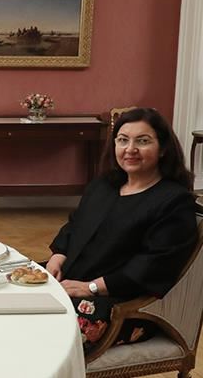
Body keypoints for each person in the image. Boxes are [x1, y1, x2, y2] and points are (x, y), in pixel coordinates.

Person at [46, 108, 198, 352]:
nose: (130, 149)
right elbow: (75, 224)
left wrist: (90, 288)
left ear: (163, 149)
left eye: (143, 141)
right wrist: (58, 255)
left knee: (36, 329)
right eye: (123, 140)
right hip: (72, 279)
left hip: (121, 305)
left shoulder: (174, 202)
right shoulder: (103, 186)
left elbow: (153, 265)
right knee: (8, 292)